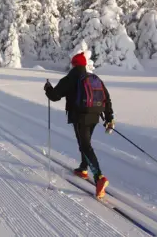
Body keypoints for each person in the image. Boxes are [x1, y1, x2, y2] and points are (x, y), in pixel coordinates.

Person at [43, 52, 115, 199]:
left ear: (74, 64)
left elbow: (55, 96)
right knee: (85, 142)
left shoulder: (71, 78)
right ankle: (83, 168)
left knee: (85, 145)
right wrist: (109, 118)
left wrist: (48, 88)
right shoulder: (94, 78)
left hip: (79, 116)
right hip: (95, 116)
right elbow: (106, 99)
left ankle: (99, 177)